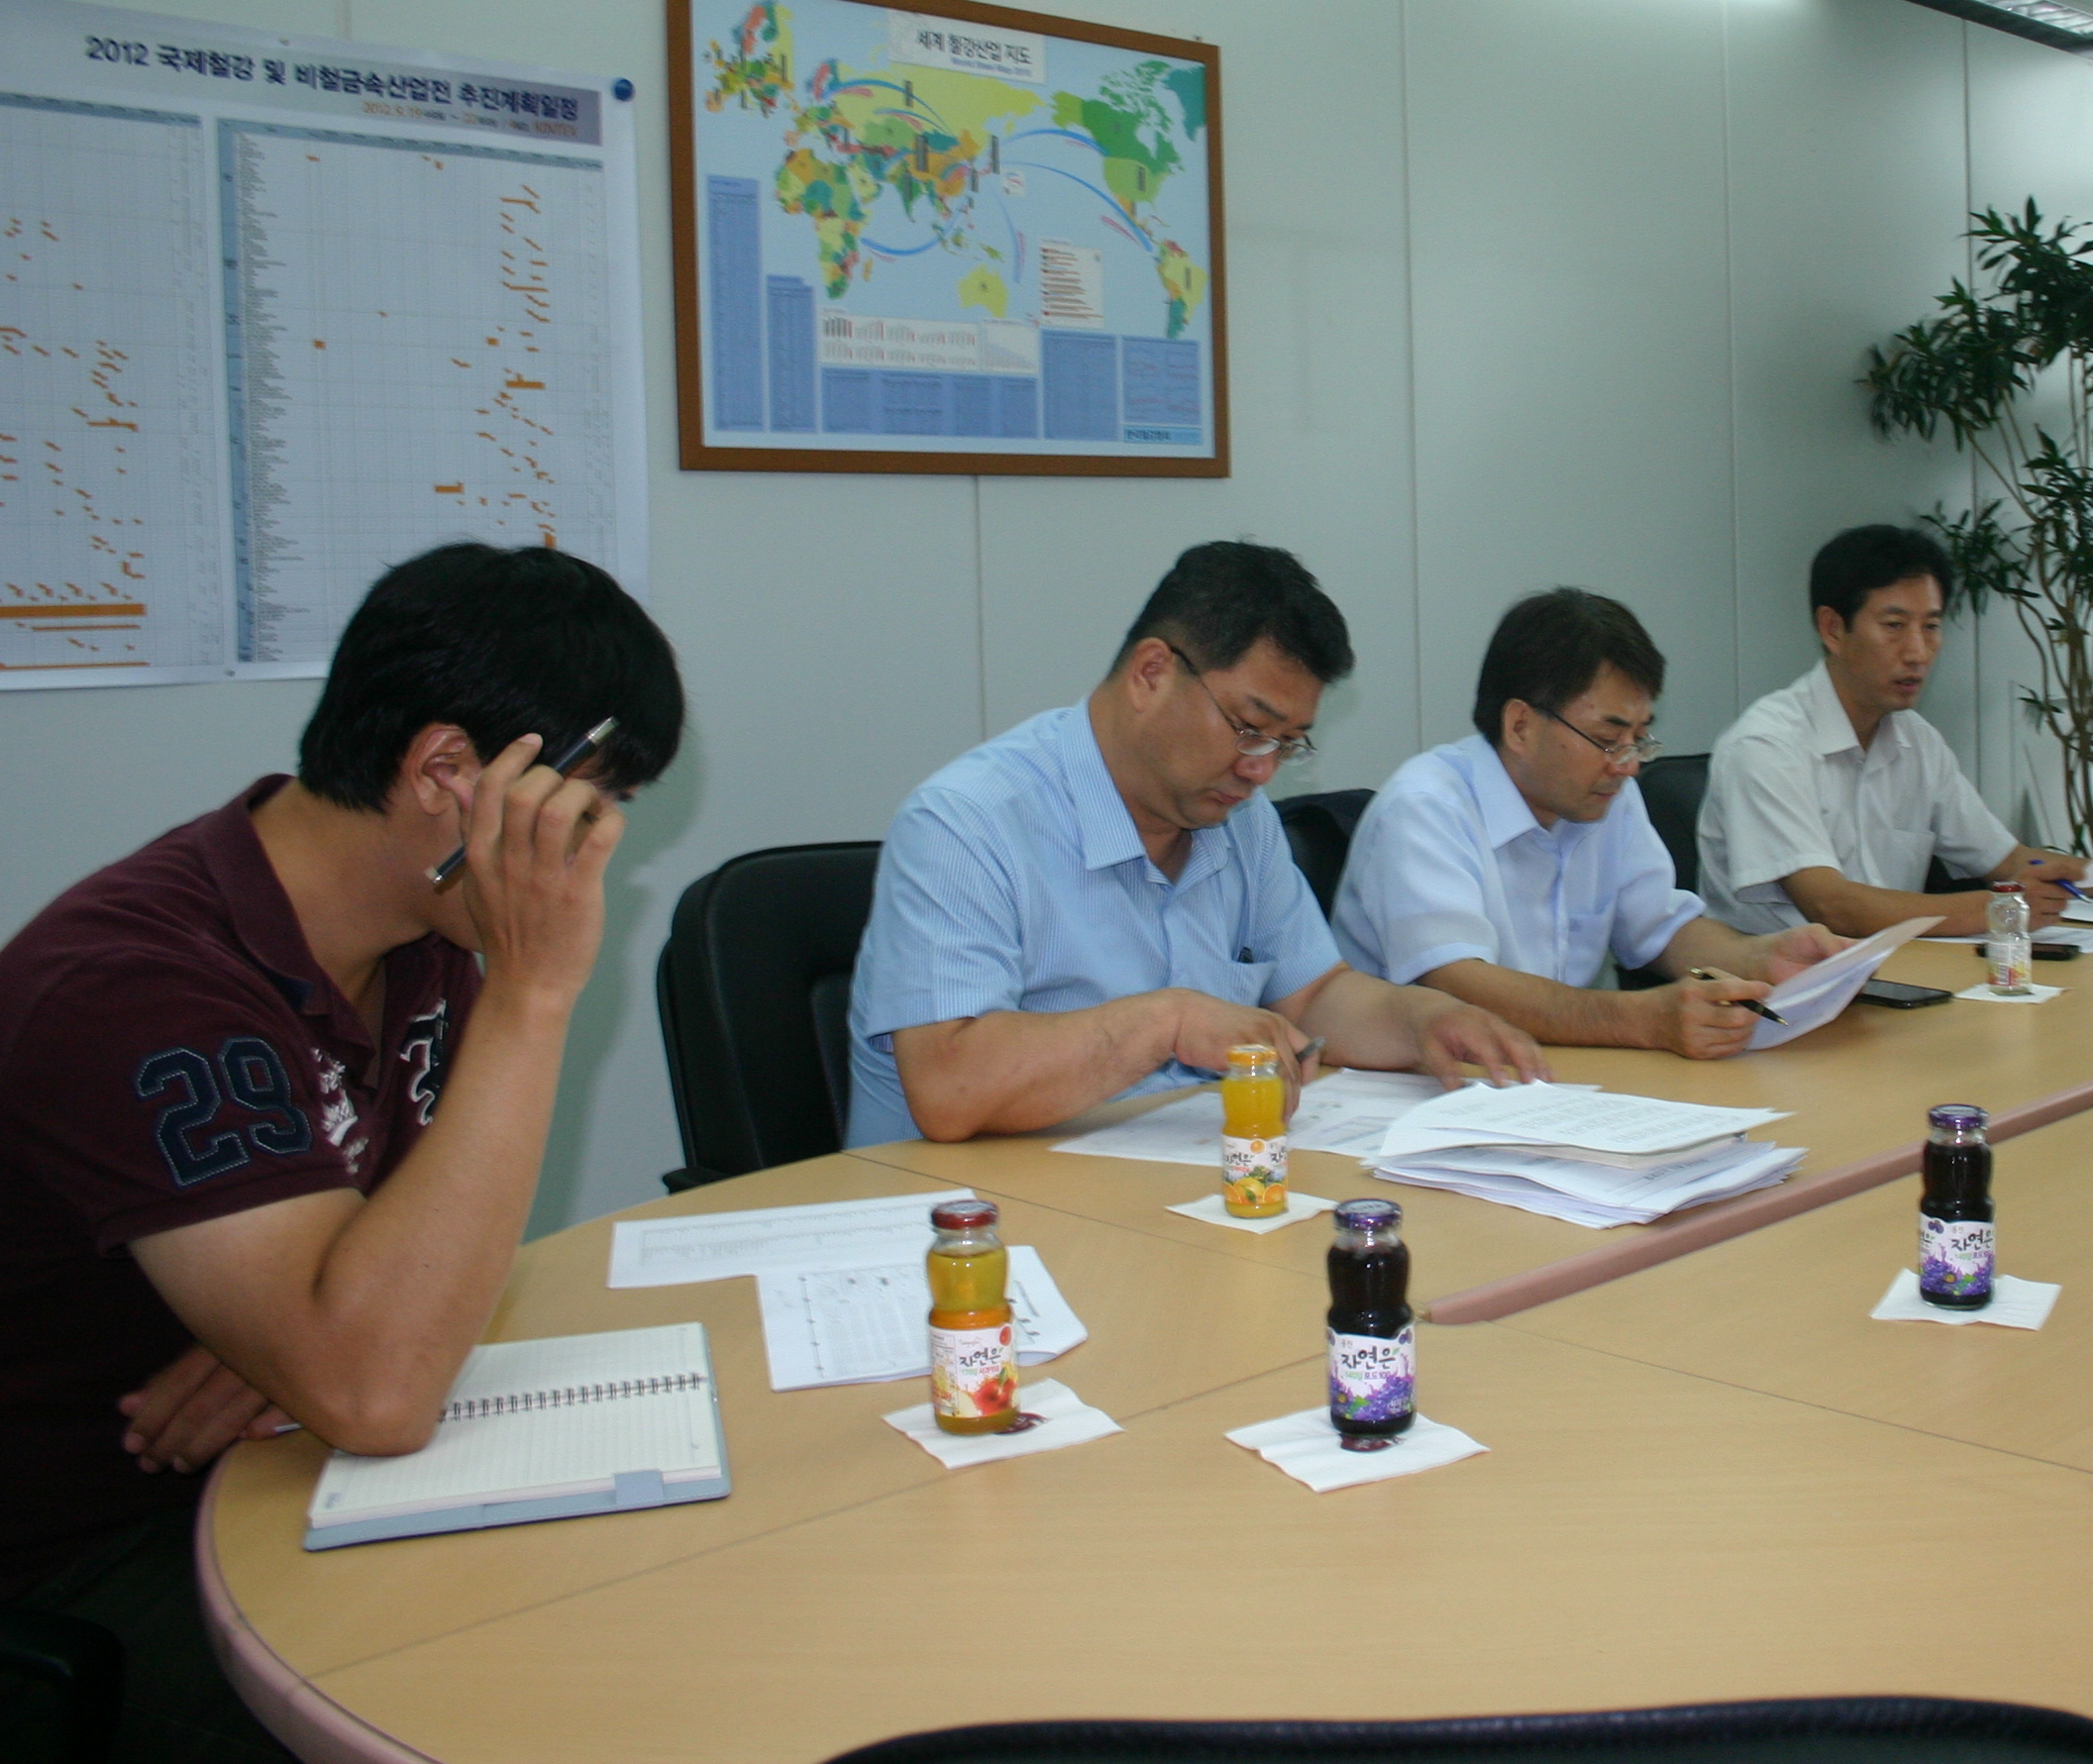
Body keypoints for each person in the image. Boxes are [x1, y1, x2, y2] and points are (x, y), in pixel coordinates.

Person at [0, 543, 682, 1763]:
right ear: (447, 772)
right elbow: (377, 1387)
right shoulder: (137, 984)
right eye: (585, 807)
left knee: (651, 1608)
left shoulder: (423, 945)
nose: (598, 847)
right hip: (96, 1554)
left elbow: (403, 1299)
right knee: (542, 1715)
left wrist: (297, 1337)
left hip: (294, 1467)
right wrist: (533, 995)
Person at [847, 542, 1543, 1144]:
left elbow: (1314, 995)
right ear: (1151, 673)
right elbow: (949, 1088)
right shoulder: (967, 823)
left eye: (1287, 743)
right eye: (1249, 728)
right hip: (974, 1224)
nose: (1261, 770)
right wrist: (1169, 1022)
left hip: (1170, 1194)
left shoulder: (1240, 819)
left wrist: (1423, 1019)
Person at [1333, 589, 1849, 1059]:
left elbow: (1662, 929)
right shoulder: (1425, 810)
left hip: (1558, 1073)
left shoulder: (1605, 794)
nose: (1628, 765)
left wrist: (1759, 957)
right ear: (1520, 725)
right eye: (1608, 739)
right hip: (1421, 1087)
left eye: (1639, 739)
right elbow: (1458, 986)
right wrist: (1643, 1019)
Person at [1699, 524, 2093, 936]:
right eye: (1894, 626)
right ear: (1833, 629)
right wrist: (2000, 907)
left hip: (1898, 977)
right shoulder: (1765, 747)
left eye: (1931, 626)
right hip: (1775, 997)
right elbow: (1832, 907)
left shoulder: (1916, 740)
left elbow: (2009, 862)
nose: (1918, 652)